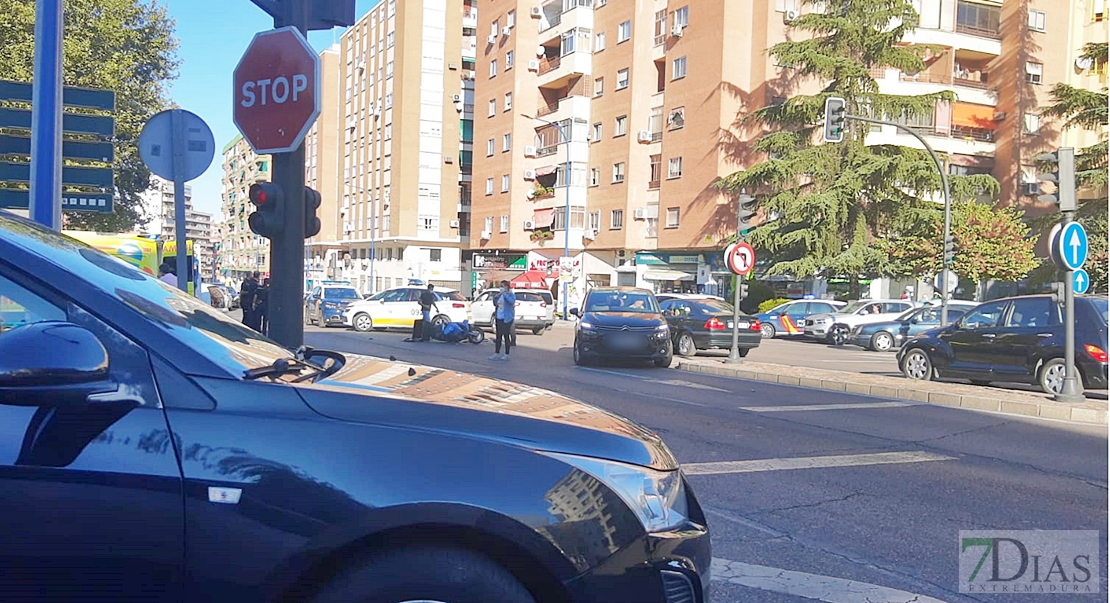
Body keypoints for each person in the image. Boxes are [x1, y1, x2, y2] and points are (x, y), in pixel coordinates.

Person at [489, 280, 516, 361]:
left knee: (506, 335)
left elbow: (512, 301)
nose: (501, 288)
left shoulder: (510, 294)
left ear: (507, 287)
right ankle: (496, 353)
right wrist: (496, 297)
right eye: (500, 286)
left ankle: (506, 353)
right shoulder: (499, 295)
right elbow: (495, 303)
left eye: (502, 286)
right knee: (498, 336)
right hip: (499, 317)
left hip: (507, 318)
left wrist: (505, 294)